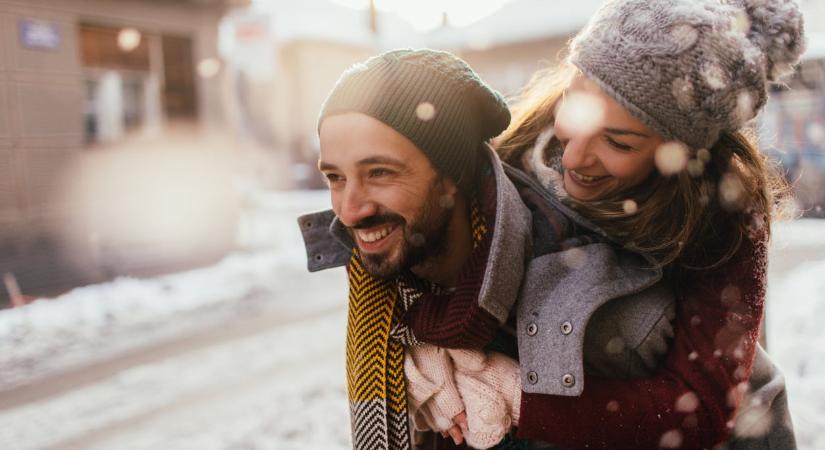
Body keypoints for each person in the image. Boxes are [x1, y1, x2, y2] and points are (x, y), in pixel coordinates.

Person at [407, 0, 806, 449]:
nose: (575, 156)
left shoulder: (722, 217)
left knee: (629, 321)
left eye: (618, 141)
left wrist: (518, 396)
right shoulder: (503, 161)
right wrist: (428, 357)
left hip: (715, 437)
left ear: (681, 151)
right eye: (574, 108)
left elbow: (702, 406)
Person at [298, 48, 677, 450]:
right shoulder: (386, 296)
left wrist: (528, 402)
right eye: (335, 178)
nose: (350, 211)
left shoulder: (606, 316)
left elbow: (720, 421)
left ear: (454, 176)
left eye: (380, 173)